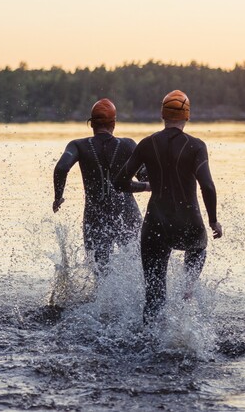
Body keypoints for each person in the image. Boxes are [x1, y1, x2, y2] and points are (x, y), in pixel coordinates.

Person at [114, 89, 223, 322]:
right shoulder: (196, 146)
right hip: (190, 225)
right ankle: (187, 294)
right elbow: (208, 187)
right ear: (187, 116)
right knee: (197, 251)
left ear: (162, 115)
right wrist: (213, 221)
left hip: (156, 226)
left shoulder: (146, 144)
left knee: (154, 297)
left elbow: (119, 182)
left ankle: (150, 344)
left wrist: (145, 186)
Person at [53, 98, 150, 276]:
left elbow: (61, 168)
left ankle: (103, 303)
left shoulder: (78, 145)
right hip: (127, 213)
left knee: (100, 272)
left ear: (91, 124)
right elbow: (146, 177)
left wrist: (58, 197)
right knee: (138, 264)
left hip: (96, 215)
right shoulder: (128, 144)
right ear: (113, 123)